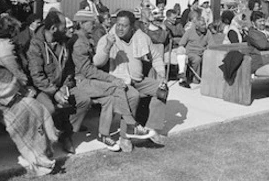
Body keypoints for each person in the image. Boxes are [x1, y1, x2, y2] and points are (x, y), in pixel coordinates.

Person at [0, 15, 57, 176]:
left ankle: (42, 151)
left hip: (2, 91)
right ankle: (38, 157)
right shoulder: (4, 48)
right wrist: (28, 91)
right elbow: (20, 75)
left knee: (37, 109)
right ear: (11, 33)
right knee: (30, 113)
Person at [71, 9, 154, 152]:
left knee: (117, 98)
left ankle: (105, 135)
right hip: (82, 82)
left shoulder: (85, 39)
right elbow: (88, 70)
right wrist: (112, 79)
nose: (95, 24)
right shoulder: (79, 42)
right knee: (118, 87)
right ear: (81, 23)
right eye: (92, 22)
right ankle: (131, 125)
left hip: (90, 80)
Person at [93, 11, 168, 146]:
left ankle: (151, 128)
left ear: (132, 27)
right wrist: (108, 47)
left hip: (138, 80)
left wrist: (162, 75)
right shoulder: (108, 38)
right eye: (118, 25)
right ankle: (124, 136)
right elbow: (97, 62)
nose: (120, 28)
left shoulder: (141, 37)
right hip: (119, 82)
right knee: (132, 96)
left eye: (124, 26)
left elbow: (156, 57)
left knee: (162, 90)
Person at [27, 11, 88, 155]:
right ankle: (46, 142)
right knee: (50, 109)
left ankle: (66, 135)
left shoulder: (63, 42)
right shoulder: (35, 45)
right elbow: (37, 77)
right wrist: (55, 93)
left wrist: (65, 88)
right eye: (63, 27)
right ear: (54, 28)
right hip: (42, 89)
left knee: (84, 101)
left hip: (61, 86)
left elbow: (69, 70)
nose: (66, 30)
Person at [178, 16, 210, 88]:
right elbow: (181, 43)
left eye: (205, 24)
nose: (204, 27)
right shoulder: (189, 32)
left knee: (209, 57)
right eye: (202, 25)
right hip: (190, 52)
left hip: (202, 52)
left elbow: (212, 44)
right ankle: (194, 78)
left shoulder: (208, 32)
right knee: (197, 59)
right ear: (197, 27)